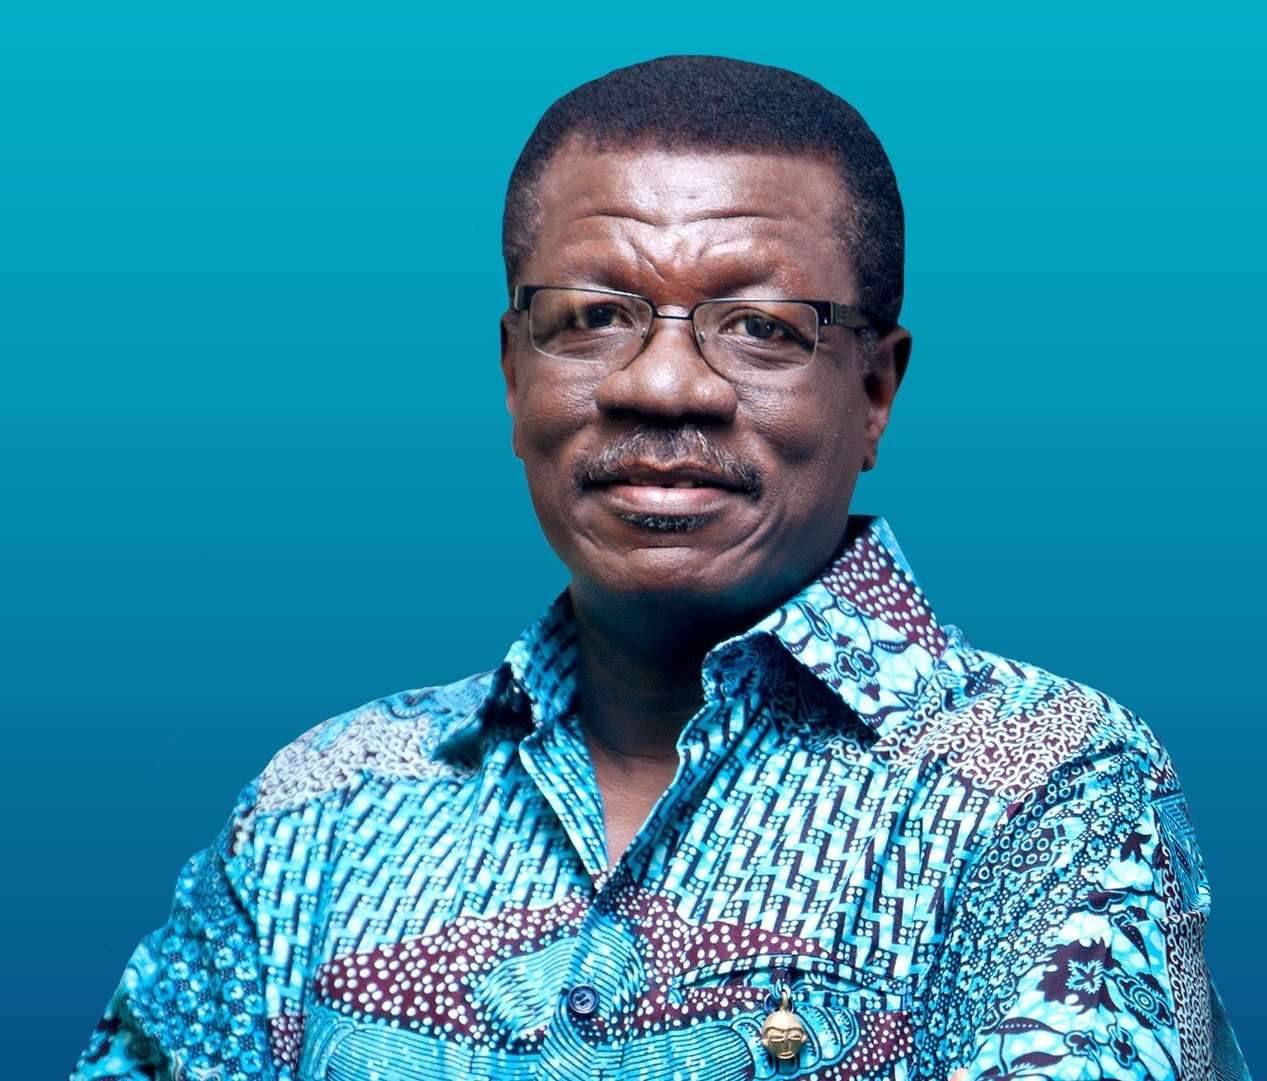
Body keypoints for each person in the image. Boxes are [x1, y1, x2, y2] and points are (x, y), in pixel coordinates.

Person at [73, 55, 1248, 1081]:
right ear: (512, 372)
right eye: (593, 317)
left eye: (762, 326)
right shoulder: (318, 808)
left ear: (875, 390)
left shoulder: (1037, 787)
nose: (662, 384)